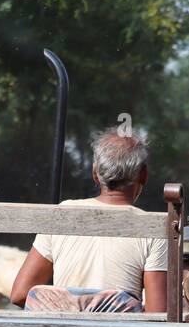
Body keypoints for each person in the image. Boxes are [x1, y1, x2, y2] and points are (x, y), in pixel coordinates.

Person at [10, 129, 167, 314]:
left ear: (95, 173)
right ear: (144, 175)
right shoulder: (152, 229)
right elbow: (158, 313)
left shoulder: (61, 215)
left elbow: (20, 293)